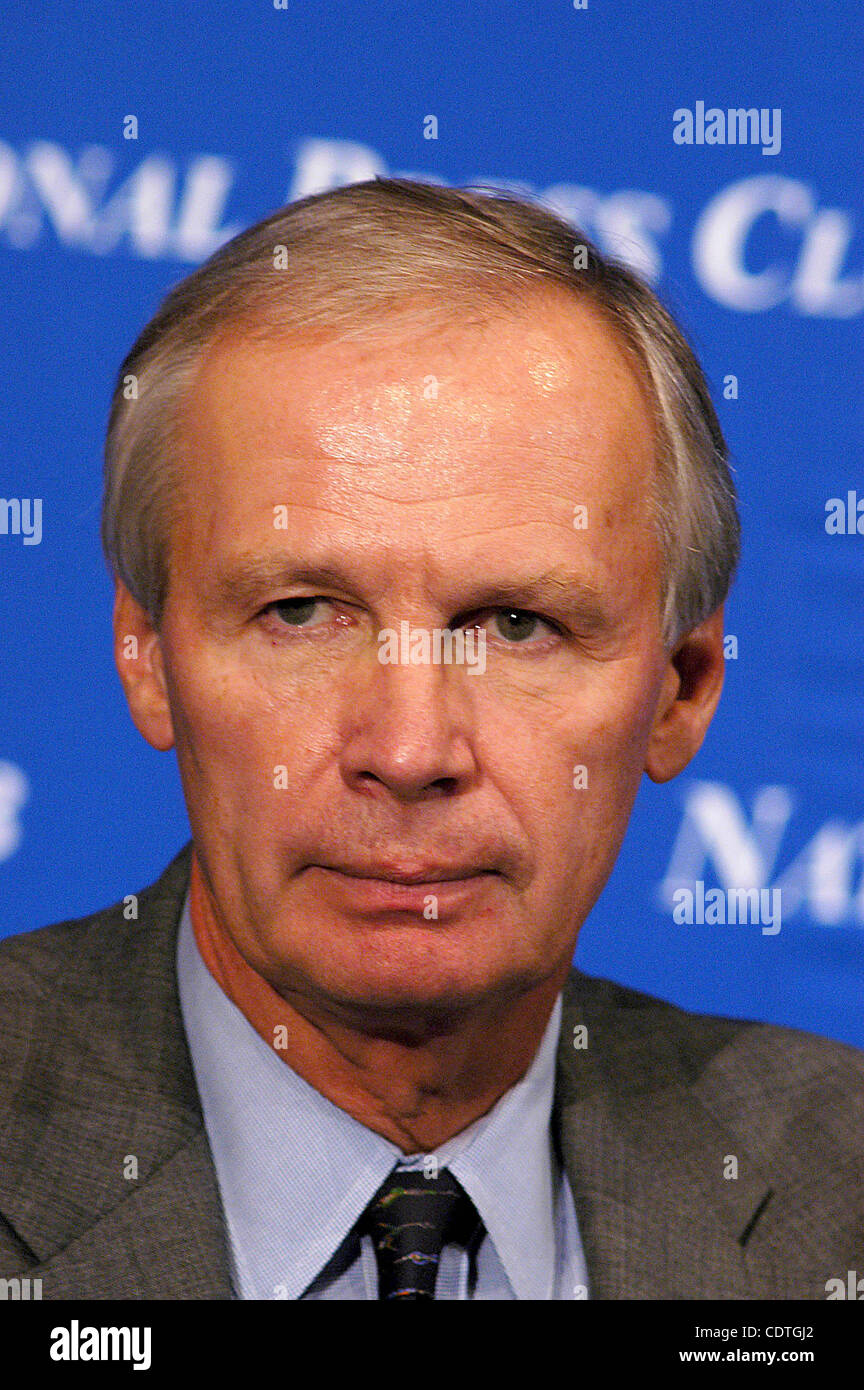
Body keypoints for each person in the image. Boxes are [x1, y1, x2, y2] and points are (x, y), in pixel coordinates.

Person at [0, 179, 860, 1301]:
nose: (409, 751)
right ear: (147, 653)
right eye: (301, 612)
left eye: (518, 625)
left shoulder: (835, 1190)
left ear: (683, 688)